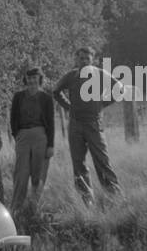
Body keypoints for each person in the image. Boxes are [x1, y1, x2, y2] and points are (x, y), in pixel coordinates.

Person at [52, 46, 123, 205]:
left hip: (94, 124)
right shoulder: (71, 76)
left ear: (93, 60)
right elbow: (56, 91)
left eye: (87, 58)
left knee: (102, 160)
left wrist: (102, 104)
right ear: (76, 60)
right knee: (78, 163)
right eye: (81, 58)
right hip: (75, 124)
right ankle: (86, 200)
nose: (84, 61)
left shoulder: (100, 74)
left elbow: (119, 89)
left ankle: (114, 197)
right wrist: (68, 106)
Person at [9, 68, 54, 214]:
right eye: (29, 78)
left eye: (35, 77)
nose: (32, 81)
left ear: (39, 79)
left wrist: (51, 144)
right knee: (21, 173)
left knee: (39, 172)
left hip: (40, 134)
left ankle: (34, 207)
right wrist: (17, 135)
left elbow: (51, 122)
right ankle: (16, 208)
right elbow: (13, 118)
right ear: (25, 80)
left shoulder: (46, 98)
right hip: (23, 134)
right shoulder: (18, 96)